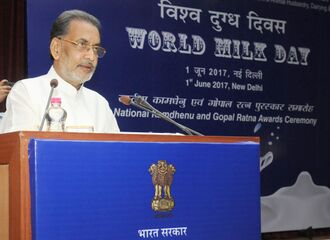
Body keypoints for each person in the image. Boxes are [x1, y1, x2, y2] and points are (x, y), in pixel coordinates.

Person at [0, 10, 119, 133]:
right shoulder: (26, 92)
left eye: (95, 49)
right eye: (82, 44)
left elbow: (117, 150)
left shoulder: (99, 104)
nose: (91, 56)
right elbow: (20, 148)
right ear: (56, 48)